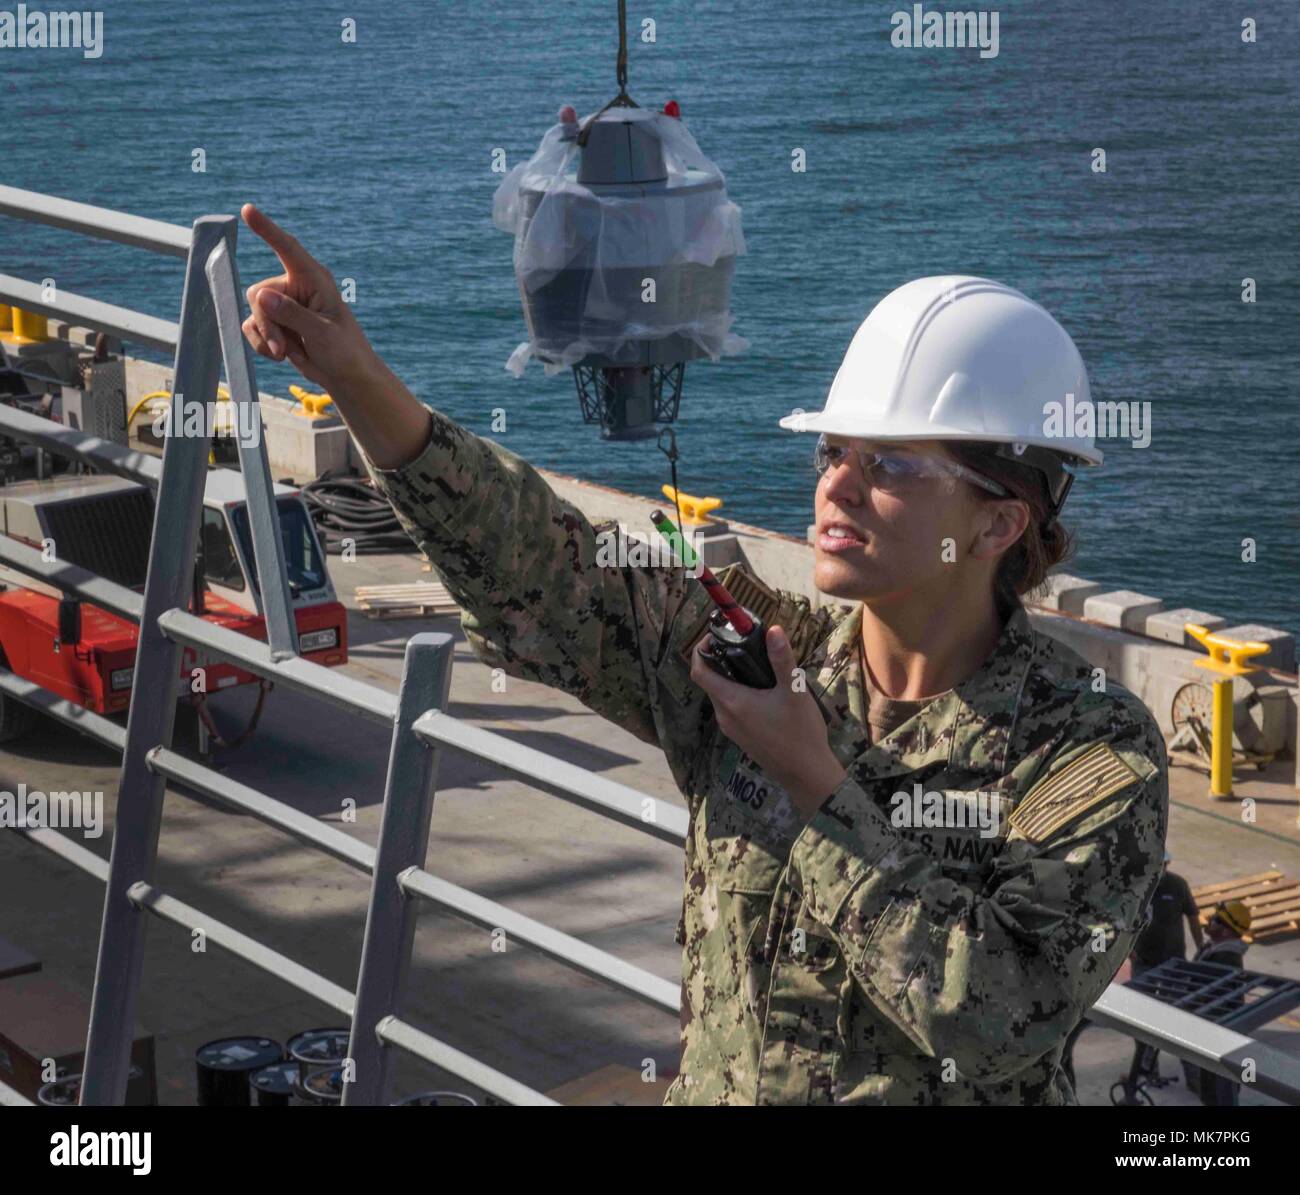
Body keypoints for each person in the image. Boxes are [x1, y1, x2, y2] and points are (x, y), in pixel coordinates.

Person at [239, 206, 1169, 1105]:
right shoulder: (764, 658)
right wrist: (356, 375)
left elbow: (995, 1013)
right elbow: (542, 568)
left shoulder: (1089, 750)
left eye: (890, 466)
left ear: (1001, 521)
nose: (838, 484)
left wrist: (815, 789)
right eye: (834, 453)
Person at [1132, 852, 1203, 977]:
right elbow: (1123, 921)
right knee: (1141, 994)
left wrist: (1200, 948)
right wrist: (1128, 952)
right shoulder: (1136, 888)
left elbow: (1193, 918)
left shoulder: (1178, 885)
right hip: (1143, 960)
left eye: (1163, 865)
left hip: (1174, 960)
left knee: (1175, 994)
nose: (1159, 869)